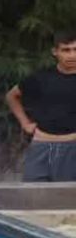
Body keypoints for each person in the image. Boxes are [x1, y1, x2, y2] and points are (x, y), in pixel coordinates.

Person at [6, 29, 76, 182]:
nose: (72, 55)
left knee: (68, 201)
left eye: (75, 50)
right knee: (32, 197)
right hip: (41, 145)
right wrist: (25, 123)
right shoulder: (41, 78)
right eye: (66, 50)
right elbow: (12, 96)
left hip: (73, 145)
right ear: (55, 52)